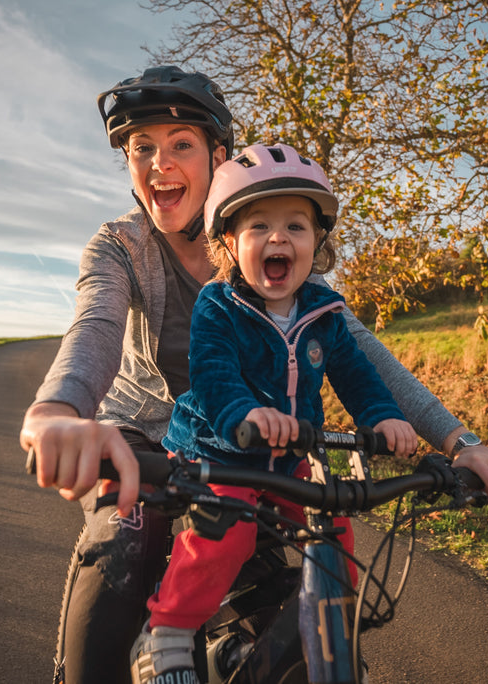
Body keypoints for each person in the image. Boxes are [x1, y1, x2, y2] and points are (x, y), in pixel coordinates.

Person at [19, 65, 488, 684]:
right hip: (146, 443)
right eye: (141, 148)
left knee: (312, 593)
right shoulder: (122, 246)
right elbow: (94, 327)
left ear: (218, 156)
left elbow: (366, 358)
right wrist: (58, 412)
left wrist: (459, 441)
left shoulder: (280, 260)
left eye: (180, 145)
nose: (158, 164)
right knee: (122, 545)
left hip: (259, 452)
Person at [129, 143, 419, 683]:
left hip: (290, 456)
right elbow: (213, 377)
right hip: (219, 449)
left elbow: (356, 375)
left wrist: (382, 417)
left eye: (296, 226)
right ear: (229, 244)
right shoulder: (218, 305)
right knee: (228, 531)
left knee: (333, 528)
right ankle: (164, 635)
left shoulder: (323, 311)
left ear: (318, 242)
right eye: (258, 226)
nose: (278, 238)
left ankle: (321, 629)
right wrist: (248, 414)